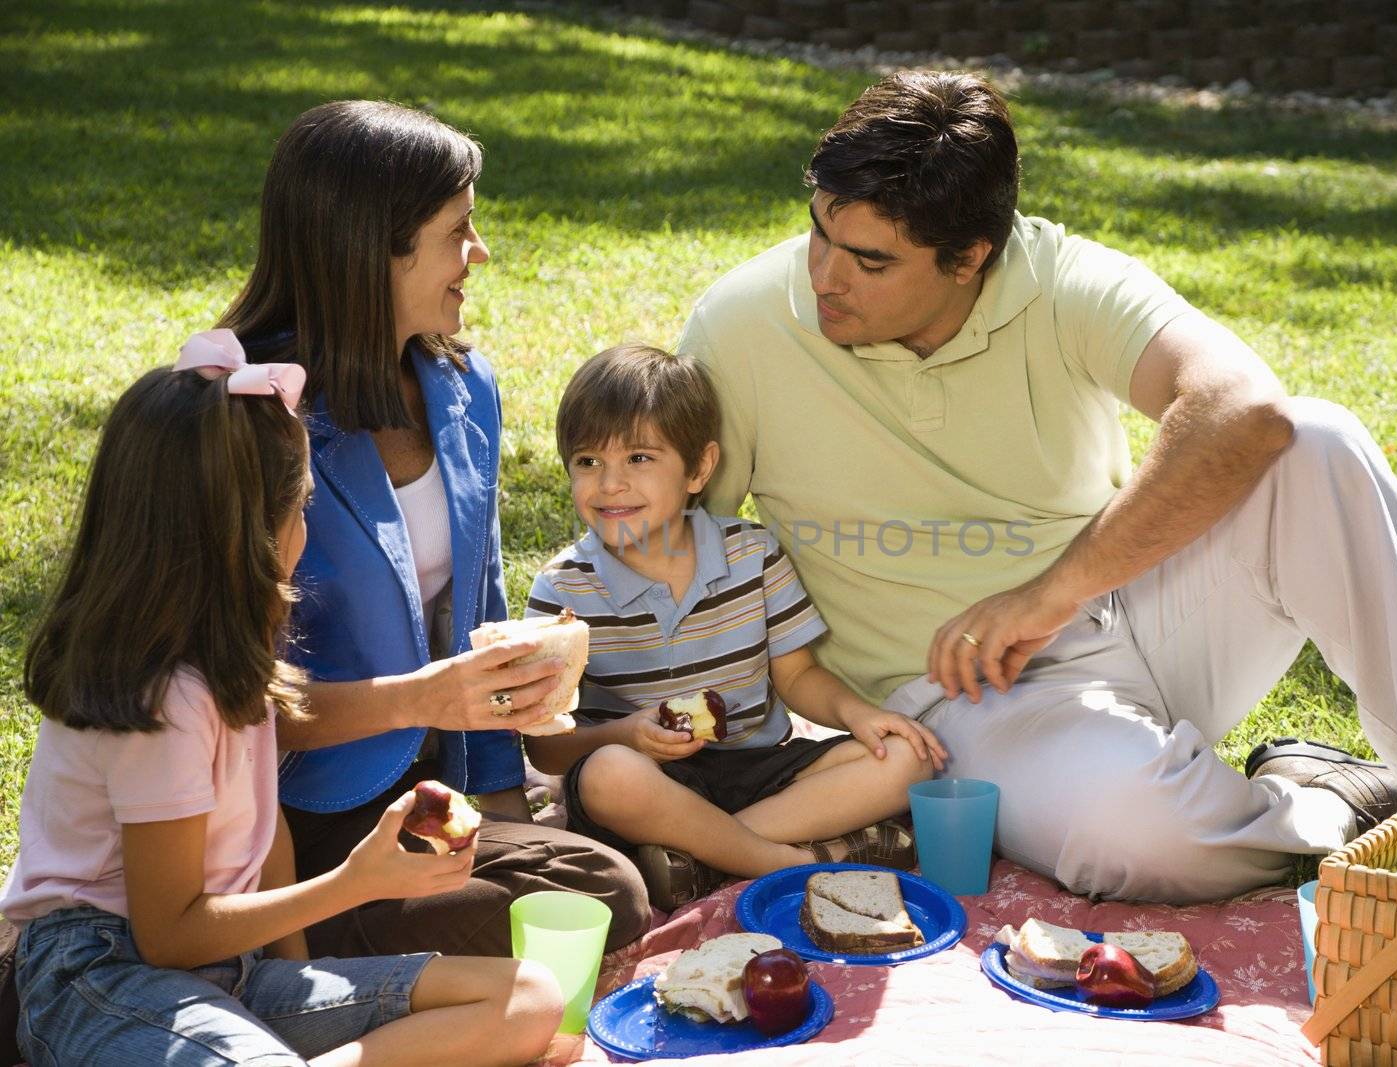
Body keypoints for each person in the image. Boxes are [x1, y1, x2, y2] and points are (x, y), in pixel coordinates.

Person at [676, 70, 1397, 903]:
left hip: (1132, 610)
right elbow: (676, 545)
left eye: (871, 260)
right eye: (819, 233)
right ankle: (1324, 803)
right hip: (965, 698)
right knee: (1145, 841)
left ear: (970, 257)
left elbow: (1242, 406)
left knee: (1314, 438)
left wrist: (1051, 593)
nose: (826, 277)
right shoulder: (741, 325)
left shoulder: (1060, 277)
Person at [0, 335, 562, 1066]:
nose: (306, 531)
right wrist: (354, 882)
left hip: (227, 973)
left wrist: (297, 977)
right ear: (245, 538)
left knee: (529, 996)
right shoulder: (163, 696)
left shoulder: (233, 659)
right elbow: (167, 932)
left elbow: (261, 837)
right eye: (301, 508)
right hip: (97, 972)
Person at [219, 100, 649, 953]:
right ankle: (316, 958)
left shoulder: (464, 387)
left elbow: (474, 613)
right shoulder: (247, 417)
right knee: (594, 905)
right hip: (287, 821)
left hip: (431, 791)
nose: (478, 254)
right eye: (459, 230)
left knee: (601, 887)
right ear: (372, 246)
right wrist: (425, 697)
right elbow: (229, 698)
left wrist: (507, 817)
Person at [521, 344, 946, 909]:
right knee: (610, 777)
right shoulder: (562, 591)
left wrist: (860, 715)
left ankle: (700, 857)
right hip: (648, 783)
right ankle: (791, 862)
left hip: (756, 768)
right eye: (588, 462)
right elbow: (548, 752)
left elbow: (797, 678)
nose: (610, 484)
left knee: (907, 759)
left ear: (699, 467)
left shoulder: (751, 554)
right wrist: (626, 734)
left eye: (640, 459)